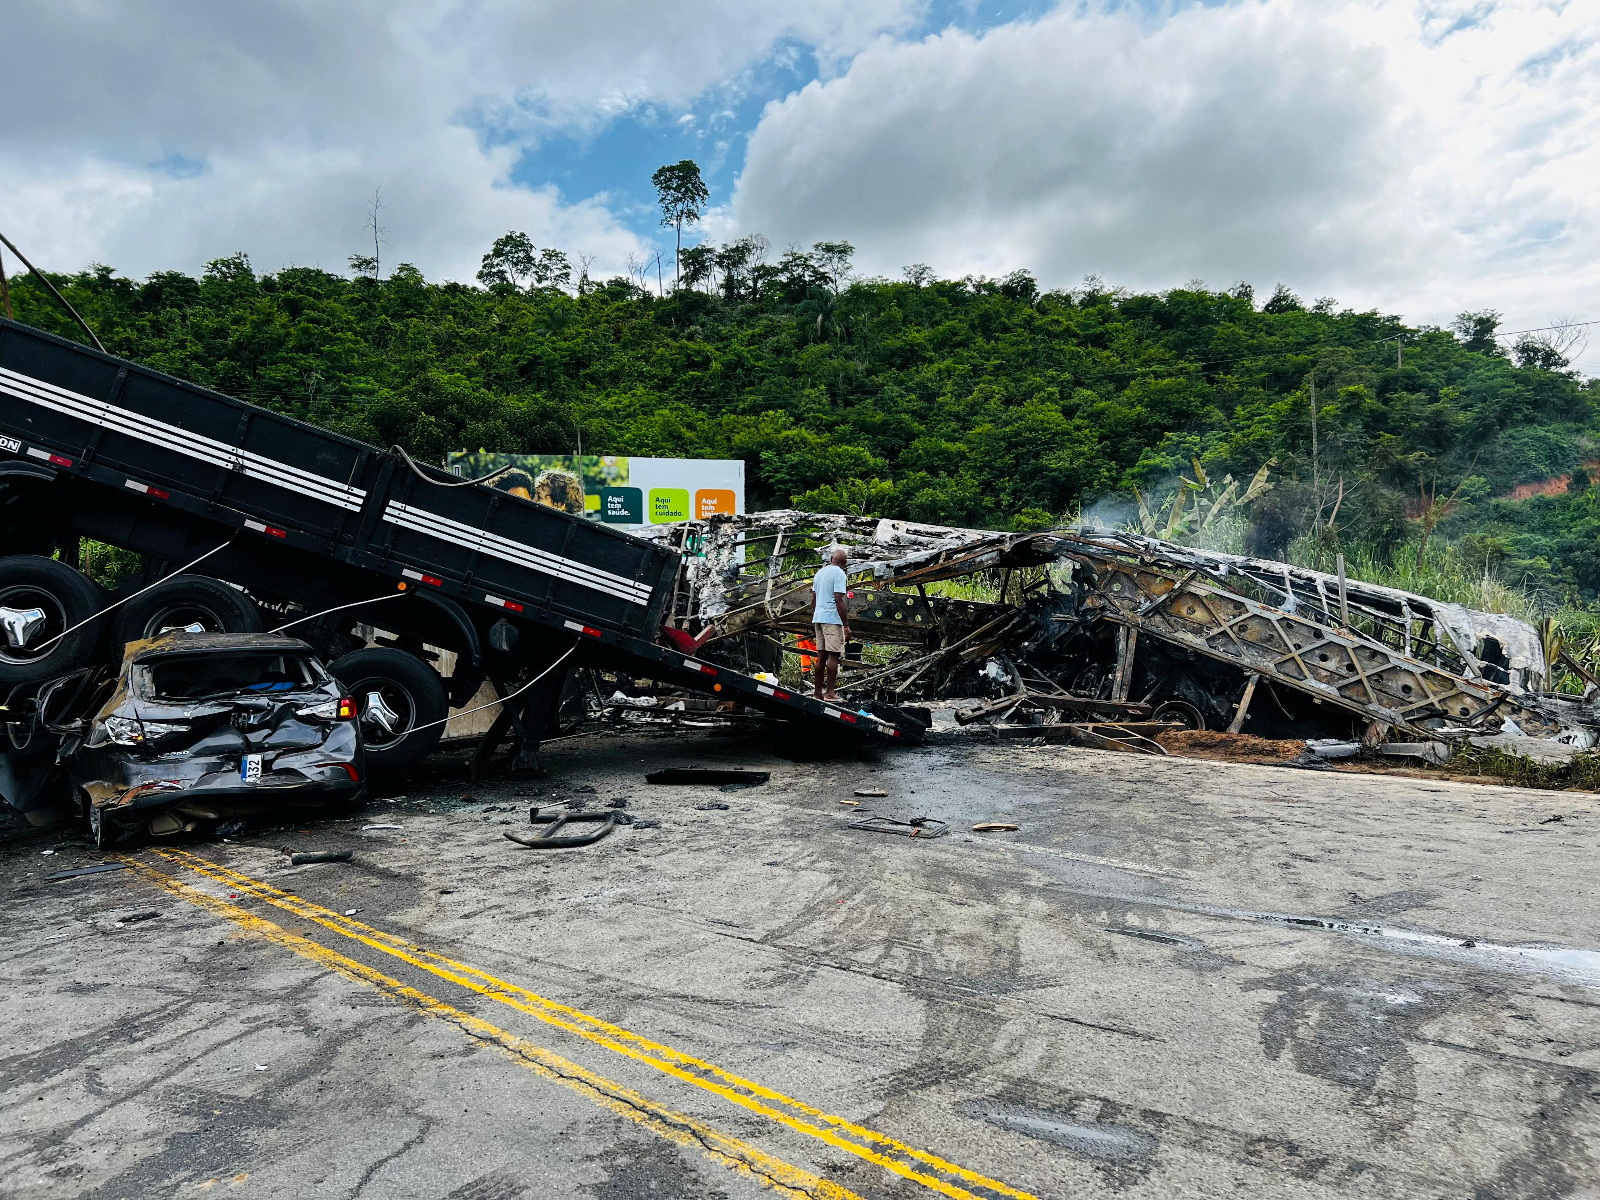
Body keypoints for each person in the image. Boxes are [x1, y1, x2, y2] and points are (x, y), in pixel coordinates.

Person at [810, 548, 850, 701]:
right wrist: (845, 625)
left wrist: (817, 614)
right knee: (834, 655)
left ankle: (817, 693)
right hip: (832, 618)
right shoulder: (839, 573)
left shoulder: (819, 573)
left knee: (821, 656)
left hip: (818, 617)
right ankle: (830, 693)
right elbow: (838, 599)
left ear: (832, 558)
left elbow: (813, 600)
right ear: (844, 563)